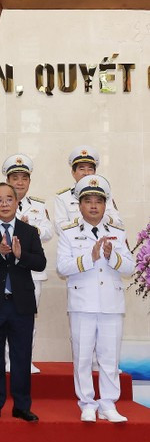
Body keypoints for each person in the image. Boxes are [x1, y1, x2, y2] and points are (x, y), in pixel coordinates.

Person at [56, 175, 135, 423]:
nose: (93, 206)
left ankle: (108, 404)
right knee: (82, 357)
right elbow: (62, 267)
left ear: (105, 204)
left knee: (109, 358)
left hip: (111, 303)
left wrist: (112, 257)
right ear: (79, 205)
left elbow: (130, 267)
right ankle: (87, 403)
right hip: (82, 304)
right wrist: (89, 258)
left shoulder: (117, 232)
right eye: (88, 201)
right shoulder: (68, 233)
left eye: (98, 201)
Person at [0, 182, 46, 423]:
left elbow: (41, 263)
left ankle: (22, 406)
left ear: (17, 202)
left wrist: (20, 255)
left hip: (21, 304)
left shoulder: (29, 231)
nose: (4, 204)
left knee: (21, 356)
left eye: (9, 199)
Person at [1, 154, 52, 374]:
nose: (20, 183)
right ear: (7, 180)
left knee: (27, 319)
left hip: (31, 271)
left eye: (24, 178)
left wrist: (29, 230)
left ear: (29, 181)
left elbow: (48, 231)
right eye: (15, 178)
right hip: (6, 272)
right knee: (6, 318)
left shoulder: (38, 206)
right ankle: (6, 360)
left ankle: (24, 360)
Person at [53, 145, 122, 236]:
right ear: (73, 172)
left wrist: (98, 220)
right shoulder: (63, 197)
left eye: (90, 169)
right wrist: (85, 221)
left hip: (103, 239)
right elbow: (59, 228)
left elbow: (118, 222)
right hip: (76, 242)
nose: (86, 173)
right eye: (81, 169)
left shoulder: (105, 194)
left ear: (94, 172)